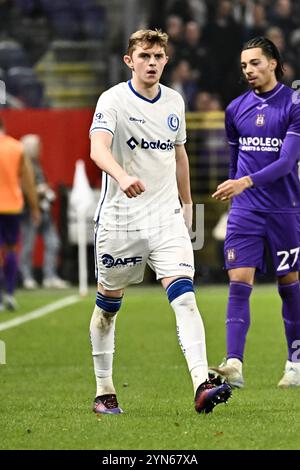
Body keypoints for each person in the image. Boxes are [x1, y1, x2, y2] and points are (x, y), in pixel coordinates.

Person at [89, 29, 232, 415]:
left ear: (166, 60)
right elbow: (97, 147)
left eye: (158, 56)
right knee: (107, 307)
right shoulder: (113, 99)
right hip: (121, 219)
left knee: (185, 297)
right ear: (129, 61)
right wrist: (121, 176)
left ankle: (201, 384)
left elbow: (179, 155)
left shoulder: (174, 101)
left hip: (166, 216)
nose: (152, 63)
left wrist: (187, 203)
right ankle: (104, 391)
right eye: (144, 56)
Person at [211, 36, 300, 388]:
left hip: (284, 209)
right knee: (238, 281)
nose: (249, 70)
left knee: (289, 283)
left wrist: (243, 181)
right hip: (246, 210)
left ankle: (295, 362)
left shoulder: (294, 104)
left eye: (256, 63)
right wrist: (236, 189)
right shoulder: (235, 109)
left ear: (273, 63)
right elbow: (235, 162)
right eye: (245, 65)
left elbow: (287, 162)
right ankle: (234, 363)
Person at [19, 134, 69, 289]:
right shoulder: (22, 165)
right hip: (30, 211)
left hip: (44, 210)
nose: (40, 149)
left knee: (53, 243)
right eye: (37, 146)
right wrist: (37, 191)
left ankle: (50, 276)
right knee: (28, 245)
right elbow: (22, 188)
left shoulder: (36, 164)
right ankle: (26, 277)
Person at [0, 118, 40, 311]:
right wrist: (34, 207)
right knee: (10, 250)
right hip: (12, 207)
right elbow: (28, 181)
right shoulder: (17, 148)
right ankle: (9, 292)